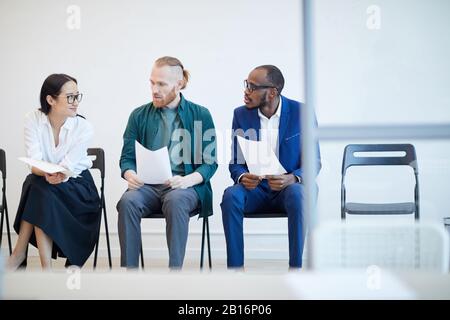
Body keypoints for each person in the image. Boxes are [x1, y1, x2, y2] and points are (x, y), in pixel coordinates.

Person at [117, 56, 217, 269]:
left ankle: (174, 273)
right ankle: (129, 273)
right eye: (152, 82)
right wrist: (130, 174)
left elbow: (210, 163)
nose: (155, 89)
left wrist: (188, 180)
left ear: (179, 84)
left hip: (184, 187)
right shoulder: (138, 115)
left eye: (161, 84)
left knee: (176, 200)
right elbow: (127, 158)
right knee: (128, 202)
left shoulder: (201, 115)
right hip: (147, 187)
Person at [221, 65, 321, 269]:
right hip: (255, 189)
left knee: (298, 194)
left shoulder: (301, 112)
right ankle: (235, 269)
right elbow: (235, 162)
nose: (246, 91)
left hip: (288, 189)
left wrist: (292, 178)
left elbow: (315, 161)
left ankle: (296, 267)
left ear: (272, 92)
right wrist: (242, 177)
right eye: (246, 84)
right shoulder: (241, 115)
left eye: (252, 86)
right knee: (231, 196)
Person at [7, 74, 101, 270]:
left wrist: (56, 173)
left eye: (77, 96)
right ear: (50, 100)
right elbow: (34, 161)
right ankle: (44, 268)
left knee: (36, 186)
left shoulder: (84, 127)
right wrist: (47, 173)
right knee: (38, 185)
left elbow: (68, 166)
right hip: (44, 180)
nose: (76, 102)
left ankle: (20, 253)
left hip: (78, 186)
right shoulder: (32, 120)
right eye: (70, 97)